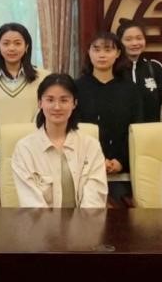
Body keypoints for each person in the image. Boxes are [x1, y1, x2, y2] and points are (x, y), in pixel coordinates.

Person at [0, 22, 49, 205]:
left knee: (31, 210)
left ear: (27, 46)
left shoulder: (43, 78)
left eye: (17, 43)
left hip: (33, 157)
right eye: (6, 43)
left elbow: (43, 116)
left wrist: (27, 150)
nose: (11, 48)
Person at [11, 73, 108, 208]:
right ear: (40, 103)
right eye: (50, 100)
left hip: (84, 220)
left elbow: (95, 198)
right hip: (41, 221)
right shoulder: (25, 149)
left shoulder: (90, 145)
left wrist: (81, 222)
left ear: (74, 103)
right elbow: (32, 204)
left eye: (64, 100)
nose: (57, 107)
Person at [75, 32, 144, 203]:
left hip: (122, 171)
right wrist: (98, 160)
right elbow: (75, 129)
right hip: (84, 169)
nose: (102, 55)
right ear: (89, 52)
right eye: (96, 49)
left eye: (108, 50)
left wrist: (121, 161)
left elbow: (136, 130)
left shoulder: (130, 89)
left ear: (118, 53)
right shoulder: (77, 88)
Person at [116, 19, 162, 122]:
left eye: (139, 38)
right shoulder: (113, 69)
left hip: (151, 129)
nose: (135, 43)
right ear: (119, 42)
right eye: (128, 39)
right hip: (121, 130)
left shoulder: (155, 67)